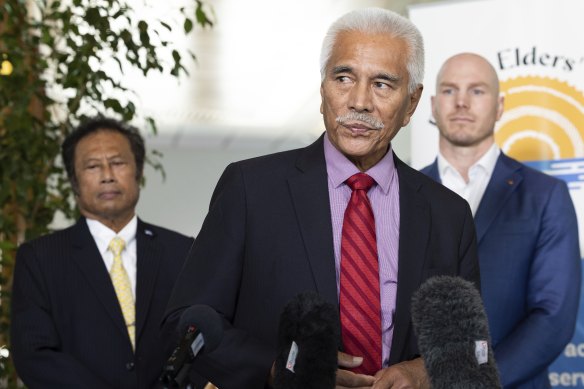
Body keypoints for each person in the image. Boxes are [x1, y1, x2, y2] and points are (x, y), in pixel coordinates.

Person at [165, 8, 480, 389]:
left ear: (411, 104)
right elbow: (189, 319)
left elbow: (470, 345)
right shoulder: (250, 189)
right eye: (343, 77)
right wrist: (281, 369)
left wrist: (425, 369)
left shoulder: (449, 214)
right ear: (322, 89)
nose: (359, 101)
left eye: (382, 84)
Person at [421, 52, 581, 388]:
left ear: (500, 106)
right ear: (434, 105)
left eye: (477, 91)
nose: (462, 102)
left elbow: (553, 318)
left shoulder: (545, 195)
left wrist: (479, 382)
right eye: (450, 91)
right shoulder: (403, 192)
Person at [11, 117, 194, 388]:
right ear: (74, 182)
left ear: (139, 172)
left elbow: (197, 340)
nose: (107, 175)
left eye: (118, 163)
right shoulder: (40, 258)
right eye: (93, 166)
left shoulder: (182, 251)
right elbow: (34, 355)